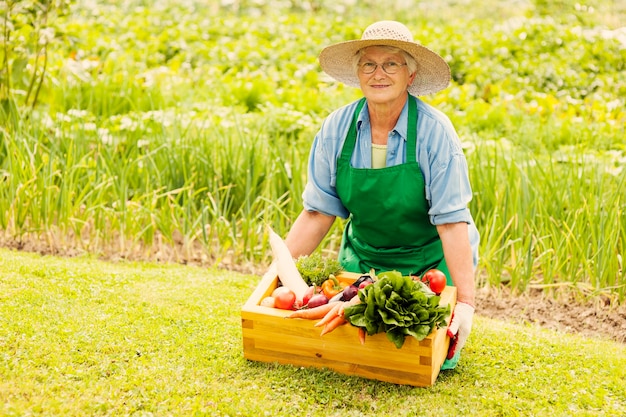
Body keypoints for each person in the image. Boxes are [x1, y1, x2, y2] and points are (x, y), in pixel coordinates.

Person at [284, 20, 479, 370]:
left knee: (427, 359)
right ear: (358, 73)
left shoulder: (435, 134)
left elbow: (452, 223)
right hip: (364, 264)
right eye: (369, 64)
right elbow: (317, 213)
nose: (379, 73)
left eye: (391, 63)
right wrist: (276, 278)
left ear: (411, 76)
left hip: (429, 265)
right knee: (344, 349)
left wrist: (464, 303)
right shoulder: (336, 128)